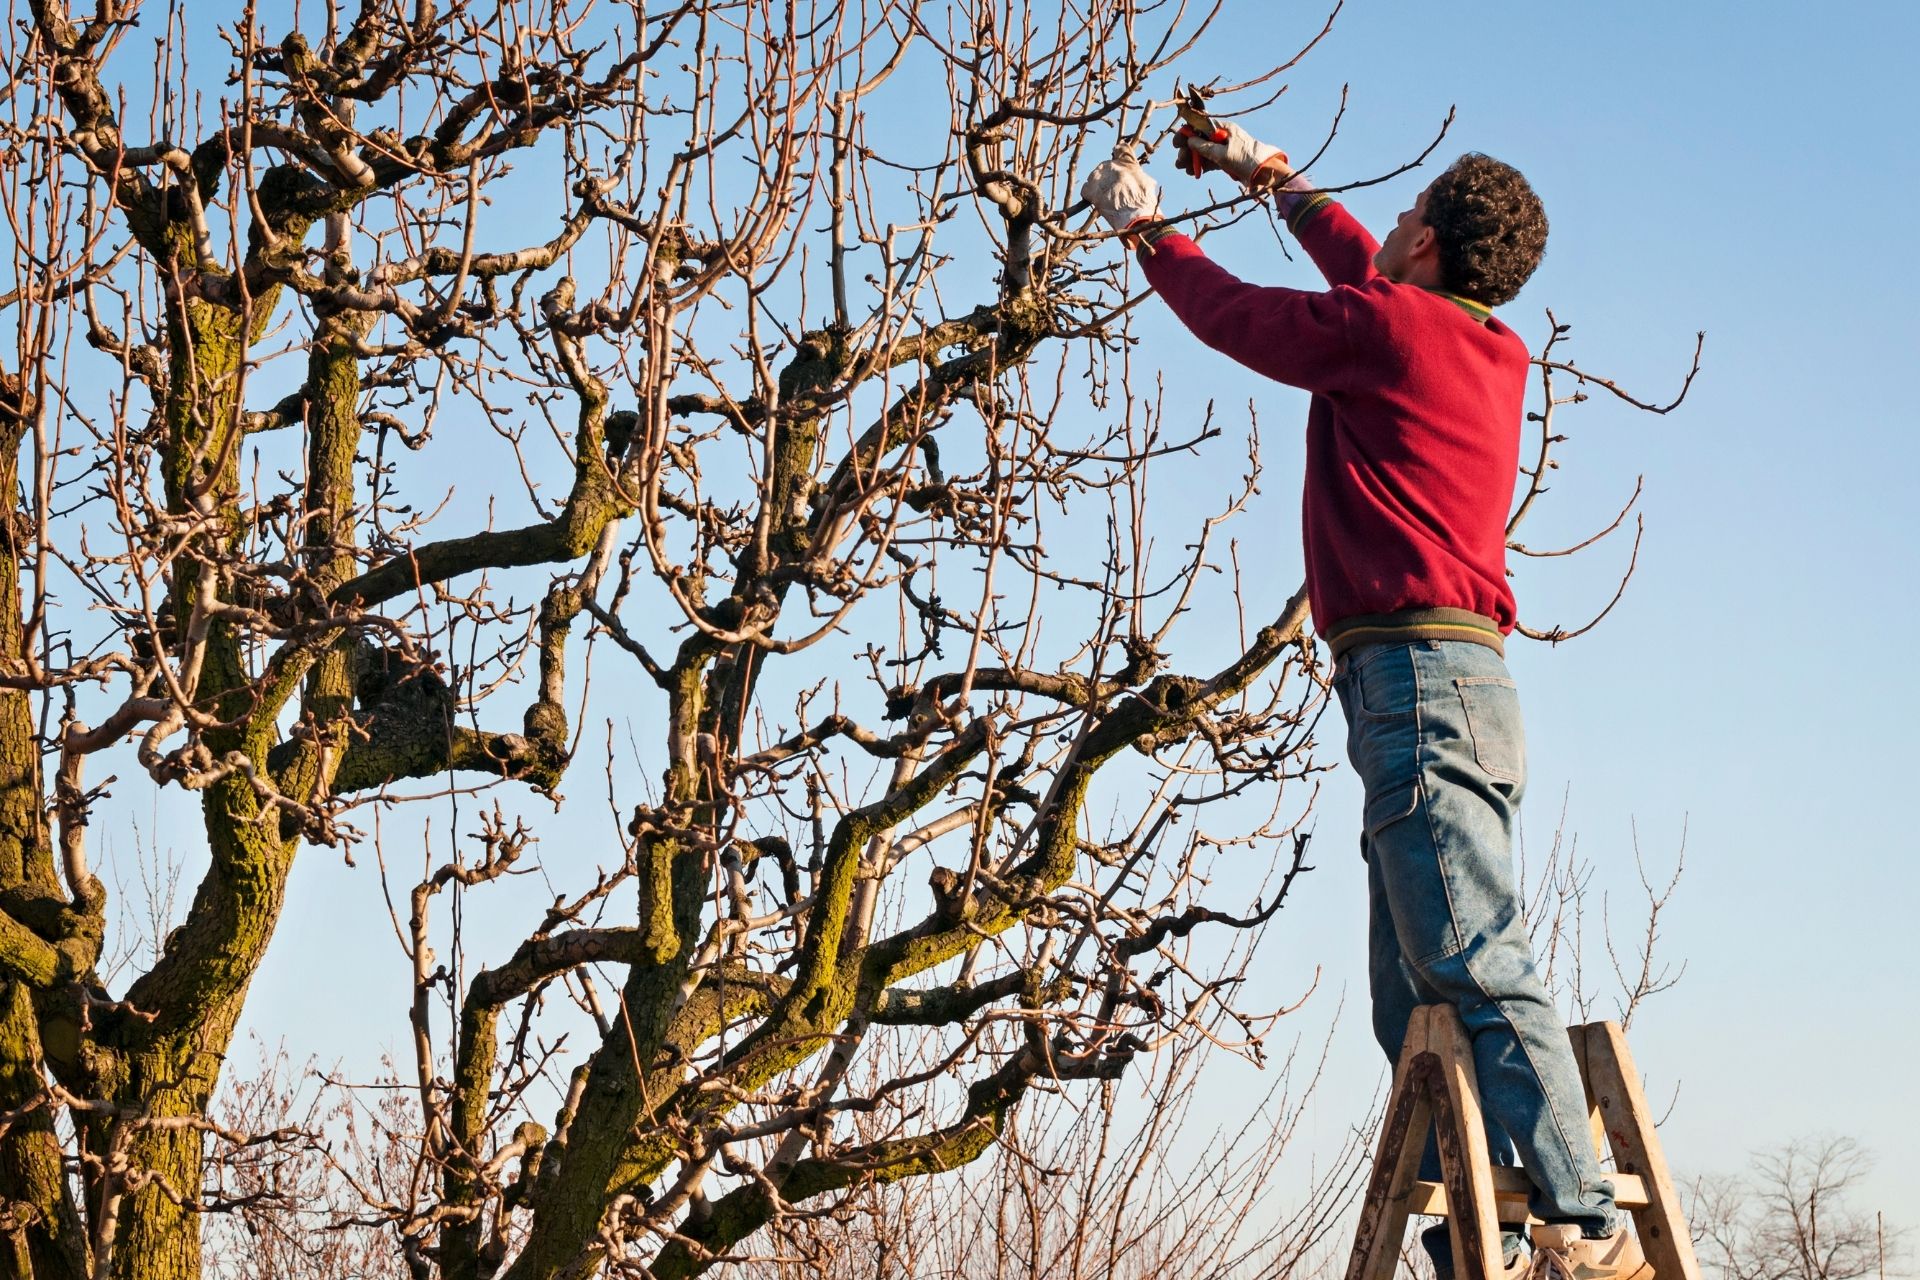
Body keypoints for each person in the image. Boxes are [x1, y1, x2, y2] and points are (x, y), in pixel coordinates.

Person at [1080, 126, 1649, 1280]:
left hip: (1418, 685)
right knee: (1412, 995)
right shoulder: (1483, 347)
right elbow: (1362, 265)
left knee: (1470, 956)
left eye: (1402, 218)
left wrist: (1147, 233)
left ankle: (1588, 1223)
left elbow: (1245, 318)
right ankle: (1476, 1231)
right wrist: (1271, 177)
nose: (1383, 227)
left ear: (1426, 241)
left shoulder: (1385, 330)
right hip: (1451, 684)